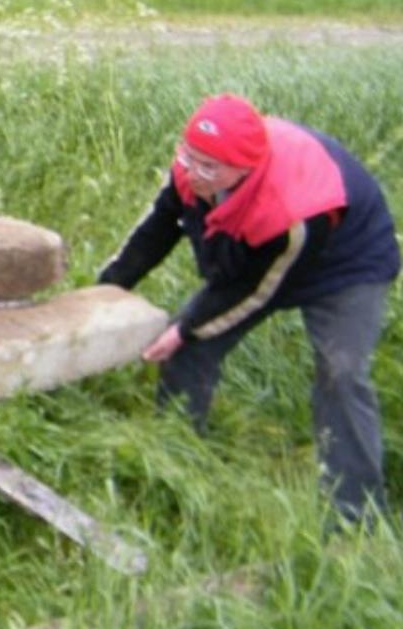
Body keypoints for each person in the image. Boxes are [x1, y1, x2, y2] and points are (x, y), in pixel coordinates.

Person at [99, 94, 398, 522]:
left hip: (345, 264)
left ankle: (355, 517)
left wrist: (184, 328)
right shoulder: (192, 171)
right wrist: (106, 289)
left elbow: (257, 290)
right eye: (188, 156)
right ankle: (174, 468)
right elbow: (155, 230)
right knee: (189, 351)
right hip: (262, 251)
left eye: (208, 167)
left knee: (342, 372)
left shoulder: (294, 211)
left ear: (246, 168)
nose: (193, 173)